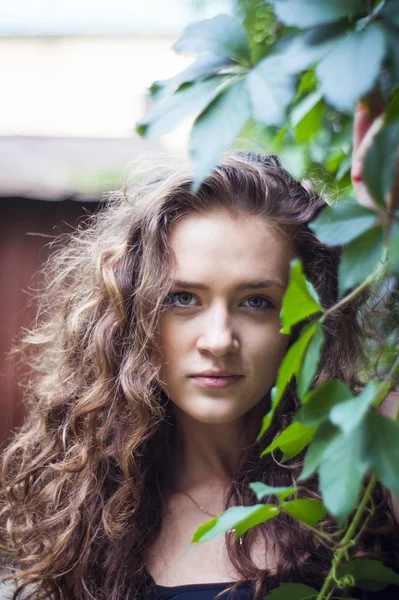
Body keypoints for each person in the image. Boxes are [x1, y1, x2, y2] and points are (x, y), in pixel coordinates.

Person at [1, 116, 399, 599]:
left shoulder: (376, 452)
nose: (218, 340)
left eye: (256, 301)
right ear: (132, 313)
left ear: (305, 319)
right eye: (182, 298)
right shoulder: (86, 512)